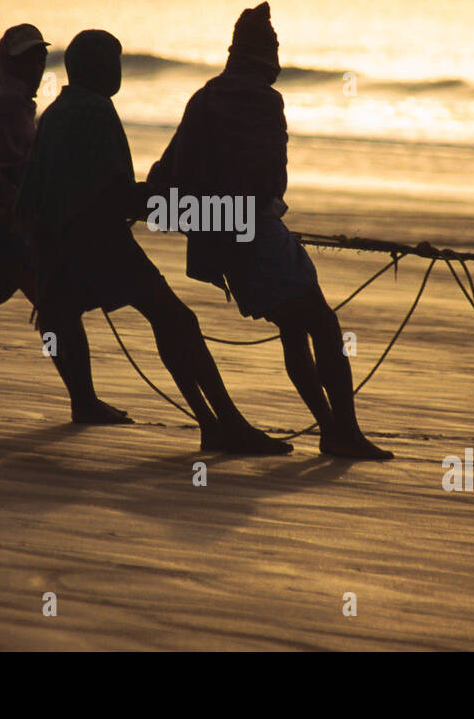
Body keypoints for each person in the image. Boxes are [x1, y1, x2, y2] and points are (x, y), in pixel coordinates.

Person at [15, 29, 289, 454]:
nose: (118, 71)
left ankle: (99, 405)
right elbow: (116, 193)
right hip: (98, 243)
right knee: (177, 321)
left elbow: (34, 191)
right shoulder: (95, 112)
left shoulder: (57, 112)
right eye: (112, 62)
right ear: (95, 69)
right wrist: (190, 208)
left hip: (59, 243)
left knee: (66, 317)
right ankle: (223, 423)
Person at [147, 2, 393, 460]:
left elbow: (169, 173)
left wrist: (178, 211)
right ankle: (343, 431)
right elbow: (271, 182)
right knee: (323, 323)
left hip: (225, 241)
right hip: (257, 236)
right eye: (275, 48)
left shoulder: (204, 98)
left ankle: (331, 429)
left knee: (293, 328)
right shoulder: (264, 100)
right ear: (265, 54)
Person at [0, 24, 130, 424]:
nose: (37, 65)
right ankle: (84, 401)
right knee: (58, 306)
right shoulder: (9, 100)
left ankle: (83, 399)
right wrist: (23, 211)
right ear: (10, 60)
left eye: (40, 57)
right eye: (28, 58)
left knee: (54, 304)